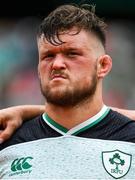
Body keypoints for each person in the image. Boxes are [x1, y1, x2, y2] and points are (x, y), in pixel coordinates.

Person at [0, 4, 135, 179]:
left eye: (72, 54)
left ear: (103, 66)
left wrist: (25, 111)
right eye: (48, 56)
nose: (56, 64)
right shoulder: (6, 142)